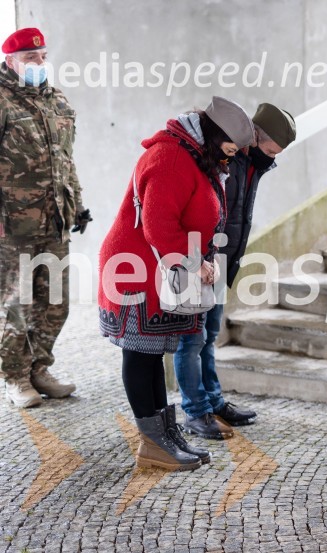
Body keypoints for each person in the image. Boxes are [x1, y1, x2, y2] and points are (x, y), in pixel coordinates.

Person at [98, 96, 255, 470]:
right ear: (214, 137)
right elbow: (159, 225)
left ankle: (165, 435)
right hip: (133, 270)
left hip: (156, 268)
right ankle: (153, 444)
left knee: (153, 353)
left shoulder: (194, 155)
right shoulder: (169, 159)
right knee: (139, 353)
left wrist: (201, 260)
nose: (230, 158)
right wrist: (192, 263)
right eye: (229, 150)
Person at [175, 102, 296, 439]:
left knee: (209, 336)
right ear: (254, 137)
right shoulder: (224, 155)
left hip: (223, 259)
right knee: (191, 339)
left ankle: (212, 402)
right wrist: (199, 259)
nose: (272, 159)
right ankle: (195, 412)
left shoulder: (253, 164)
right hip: (201, 260)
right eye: (270, 151)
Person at [0, 28, 89, 408]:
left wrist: (78, 204)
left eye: (43, 56)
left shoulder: (57, 100)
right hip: (13, 226)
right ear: (10, 62)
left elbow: (65, 161)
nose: (39, 64)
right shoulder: (3, 101)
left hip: (55, 220)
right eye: (30, 58)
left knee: (55, 302)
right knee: (17, 306)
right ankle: (15, 378)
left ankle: (39, 368)